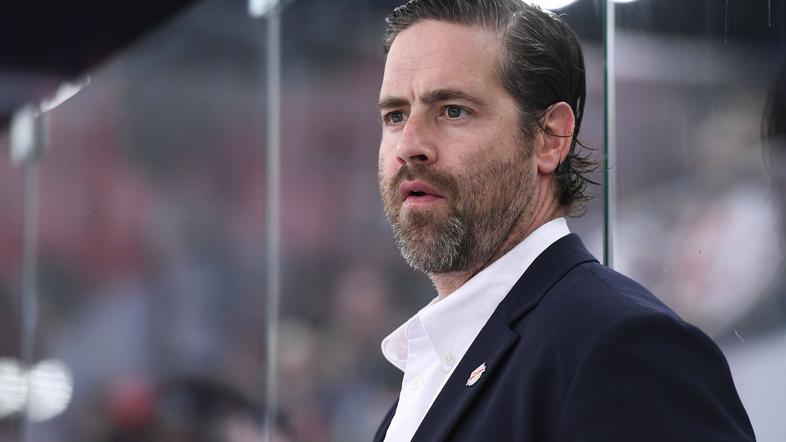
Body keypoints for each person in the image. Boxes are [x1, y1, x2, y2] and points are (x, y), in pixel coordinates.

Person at [373, 0, 756, 440]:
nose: (409, 145)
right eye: (395, 116)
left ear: (550, 137)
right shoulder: (431, 370)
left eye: (453, 110)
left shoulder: (623, 348)